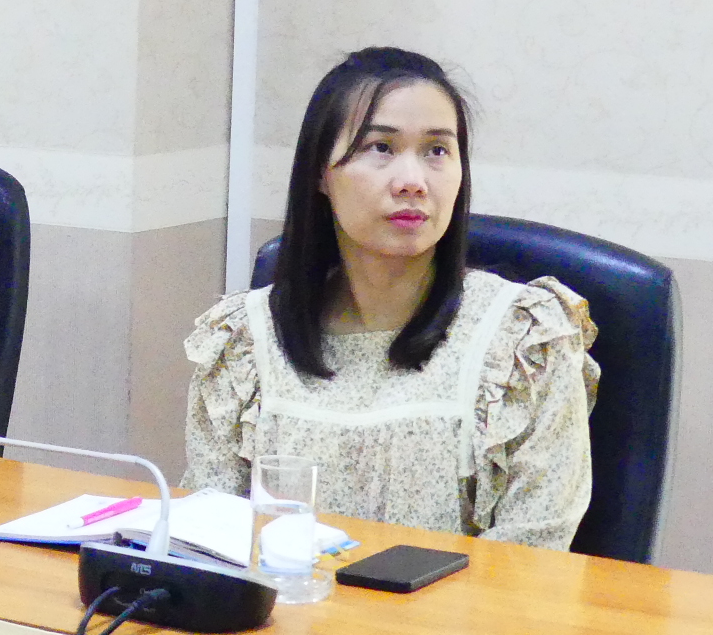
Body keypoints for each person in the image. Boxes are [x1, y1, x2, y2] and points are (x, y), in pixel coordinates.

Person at [183, 47, 598, 549]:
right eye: (380, 147)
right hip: (282, 600)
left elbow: (534, 554)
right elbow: (209, 541)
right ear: (320, 172)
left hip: (461, 604)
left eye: (437, 151)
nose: (413, 183)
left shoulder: (525, 341)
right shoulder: (243, 344)